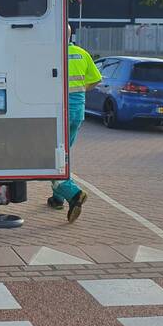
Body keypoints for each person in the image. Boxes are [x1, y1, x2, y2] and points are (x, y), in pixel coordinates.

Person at [47, 24, 101, 222]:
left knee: (52, 157)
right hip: (77, 112)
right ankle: (57, 198)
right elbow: (96, 79)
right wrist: (80, 92)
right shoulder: (82, 53)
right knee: (64, 155)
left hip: (60, 112)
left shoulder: (53, 55)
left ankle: (73, 193)